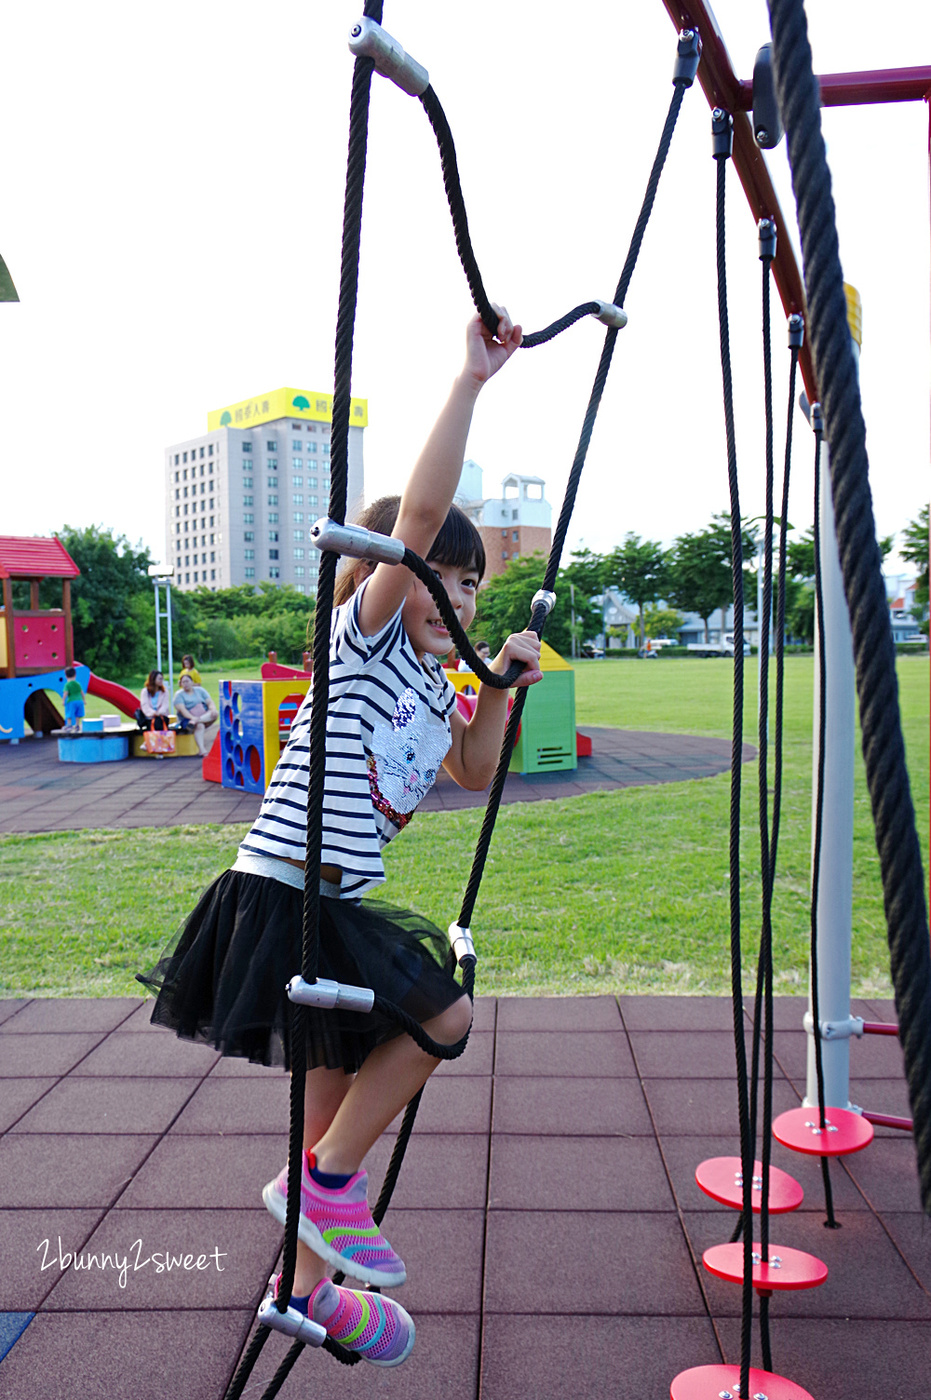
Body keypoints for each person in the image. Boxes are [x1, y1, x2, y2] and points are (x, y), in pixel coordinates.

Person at [139, 309, 541, 1362]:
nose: (455, 594)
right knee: (444, 1018)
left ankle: (306, 1283)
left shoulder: (433, 681)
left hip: (336, 900)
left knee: (331, 1088)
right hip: (284, 890)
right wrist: (468, 383)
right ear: (394, 579)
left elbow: (475, 769)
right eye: (447, 577)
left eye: (469, 585)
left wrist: (499, 683)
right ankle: (319, 1184)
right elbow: (414, 520)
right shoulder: (362, 641)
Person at [173, 674, 218, 756]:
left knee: (215, 713)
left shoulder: (200, 691)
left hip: (201, 716)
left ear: (192, 682)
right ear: (181, 684)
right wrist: (192, 718)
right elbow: (183, 711)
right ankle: (202, 750)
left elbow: (210, 702)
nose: (185, 684)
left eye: (187, 681)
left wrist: (212, 709)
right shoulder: (179, 695)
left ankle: (197, 721)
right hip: (187, 719)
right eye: (183, 682)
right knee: (200, 726)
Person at [60, 666, 85, 733]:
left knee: (69, 713)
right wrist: (84, 700)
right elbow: (82, 692)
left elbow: (66, 693)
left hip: (71, 701)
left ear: (66, 676)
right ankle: (77, 725)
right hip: (79, 701)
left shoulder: (67, 684)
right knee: (77, 713)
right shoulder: (78, 684)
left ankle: (69, 725)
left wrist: (63, 700)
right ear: (75, 675)